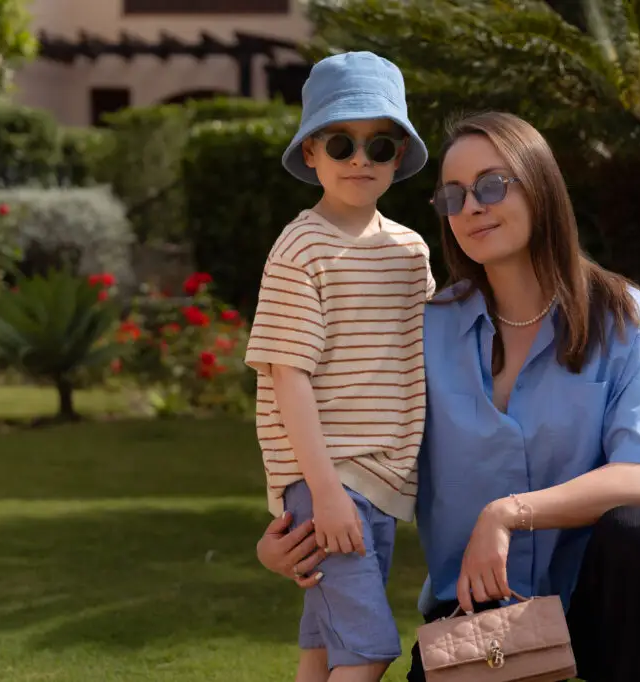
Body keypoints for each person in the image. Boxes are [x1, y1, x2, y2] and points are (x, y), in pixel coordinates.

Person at [256, 111, 640, 682]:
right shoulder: (424, 328)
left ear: (540, 187)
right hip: (473, 628)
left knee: (638, 538)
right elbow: (352, 432)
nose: (472, 206)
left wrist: (507, 515)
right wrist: (292, 532)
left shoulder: (627, 319)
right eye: (453, 195)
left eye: (493, 185)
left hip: (599, 615)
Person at [244, 51, 435, 682]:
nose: (360, 158)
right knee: (371, 649)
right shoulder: (302, 246)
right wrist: (324, 493)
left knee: (324, 650)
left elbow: (427, 357)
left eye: (379, 145)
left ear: (399, 157)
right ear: (310, 154)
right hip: (330, 480)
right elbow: (285, 374)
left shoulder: (412, 251)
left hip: (385, 482)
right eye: (340, 141)